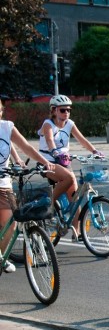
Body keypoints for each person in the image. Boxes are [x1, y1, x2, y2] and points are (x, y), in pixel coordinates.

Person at [0, 99, 58, 273]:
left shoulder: (7, 127)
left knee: (10, 223)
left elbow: (26, 147)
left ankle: (1, 258)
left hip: (3, 181)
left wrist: (45, 161)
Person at [35, 95, 80, 226]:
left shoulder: (70, 124)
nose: (66, 112)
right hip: (48, 162)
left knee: (75, 197)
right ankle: (50, 203)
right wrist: (54, 152)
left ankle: (77, 232)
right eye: (62, 110)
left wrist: (95, 151)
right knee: (69, 178)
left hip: (64, 162)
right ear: (54, 110)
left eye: (68, 110)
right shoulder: (48, 124)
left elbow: (81, 139)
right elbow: (49, 139)